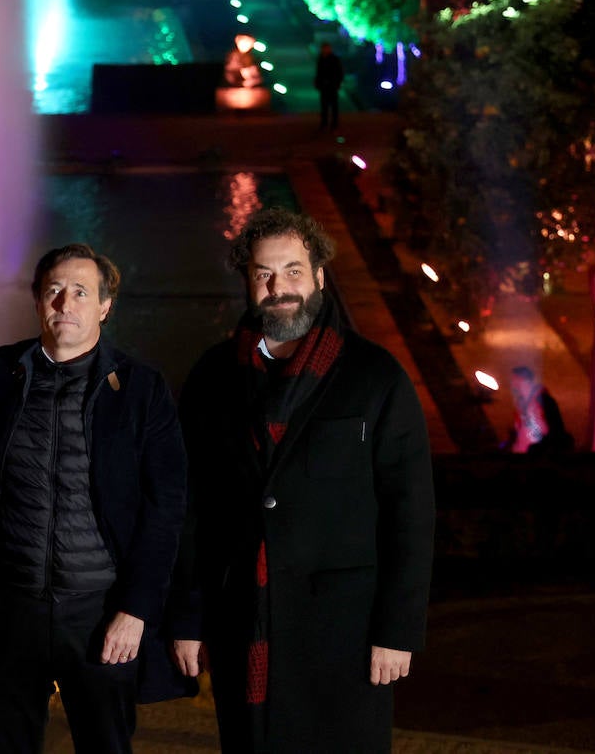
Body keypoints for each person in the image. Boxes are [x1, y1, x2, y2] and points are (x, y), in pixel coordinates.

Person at [169, 207, 434, 753]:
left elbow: (411, 511)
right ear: (247, 281)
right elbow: (189, 510)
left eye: (293, 270)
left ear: (318, 276)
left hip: (346, 633)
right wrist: (189, 618)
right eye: (264, 273)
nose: (278, 287)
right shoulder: (212, 377)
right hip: (242, 621)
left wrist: (397, 631)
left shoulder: (375, 377)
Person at [0, 244, 186, 754]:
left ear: (104, 306)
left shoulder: (142, 388)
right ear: (37, 301)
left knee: (106, 745)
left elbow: (166, 509)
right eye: (54, 291)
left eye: (81, 292)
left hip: (99, 614)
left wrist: (136, 611)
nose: (65, 304)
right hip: (9, 608)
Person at [503, 365, 573, 454]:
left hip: (539, 458)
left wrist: (542, 448)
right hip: (522, 457)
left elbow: (557, 430)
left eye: (514, 379)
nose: (512, 383)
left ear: (523, 380)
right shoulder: (520, 405)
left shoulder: (544, 401)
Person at [314, 41, 344, 130]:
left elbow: (339, 72)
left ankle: (333, 123)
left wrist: (337, 83)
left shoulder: (333, 59)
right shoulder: (321, 59)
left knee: (333, 105)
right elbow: (319, 72)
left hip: (332, 85)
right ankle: (325, 123)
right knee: (324, 106)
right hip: (324, 86)